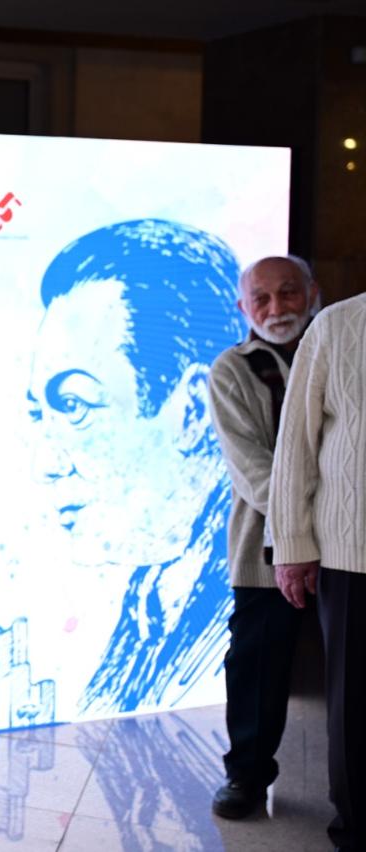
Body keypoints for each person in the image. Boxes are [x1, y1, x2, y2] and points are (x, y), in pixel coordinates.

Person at [28, 218, 244, 713]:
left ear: (194, 410)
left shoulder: (234, 600)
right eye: (40, 414)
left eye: (75, 405)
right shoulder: (150, 603)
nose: (46, 464)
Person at [206, 255, 319, 819]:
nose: (277, 308)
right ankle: (246, 777)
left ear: (313, 294)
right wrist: (309, 526)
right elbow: (252, 469)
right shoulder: (232, 370)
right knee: (256, 666)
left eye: (289, 293)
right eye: (263, 298)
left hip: (347, 546)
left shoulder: (337, 353)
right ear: (243, 308)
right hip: (265, 548)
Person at [271, 291, 366, 851]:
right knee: (355, 708)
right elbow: (295, 446)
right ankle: (356, 830)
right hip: (354, 555)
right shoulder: (337, 324)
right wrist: (291, 544)